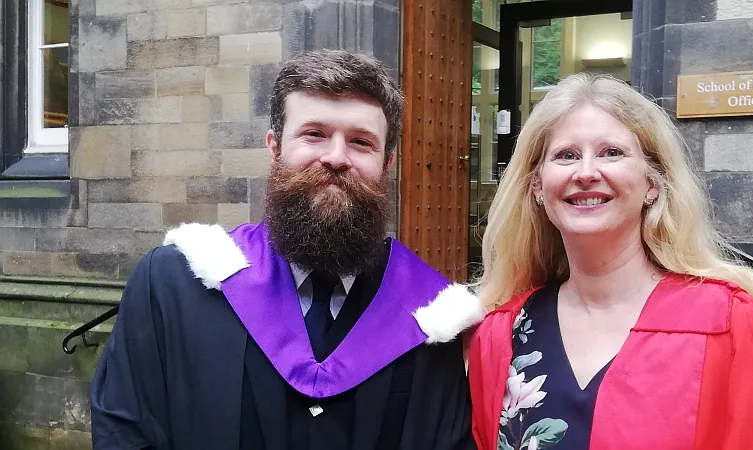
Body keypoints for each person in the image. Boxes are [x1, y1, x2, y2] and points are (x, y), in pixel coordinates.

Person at [90, 49, 484, 450]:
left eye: (361, 142)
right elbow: (125, 434)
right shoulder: (173, 286)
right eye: (314, 134)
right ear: (274, 147)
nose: (335, 157)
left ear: (388, 163)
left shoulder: (431, 318)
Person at [466, 74, 753, 449]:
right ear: (537, 186)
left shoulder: (732, 326)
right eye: (566, 155)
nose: (587, 172)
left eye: (612, 152)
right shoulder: (500, 336)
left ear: (652, 182)